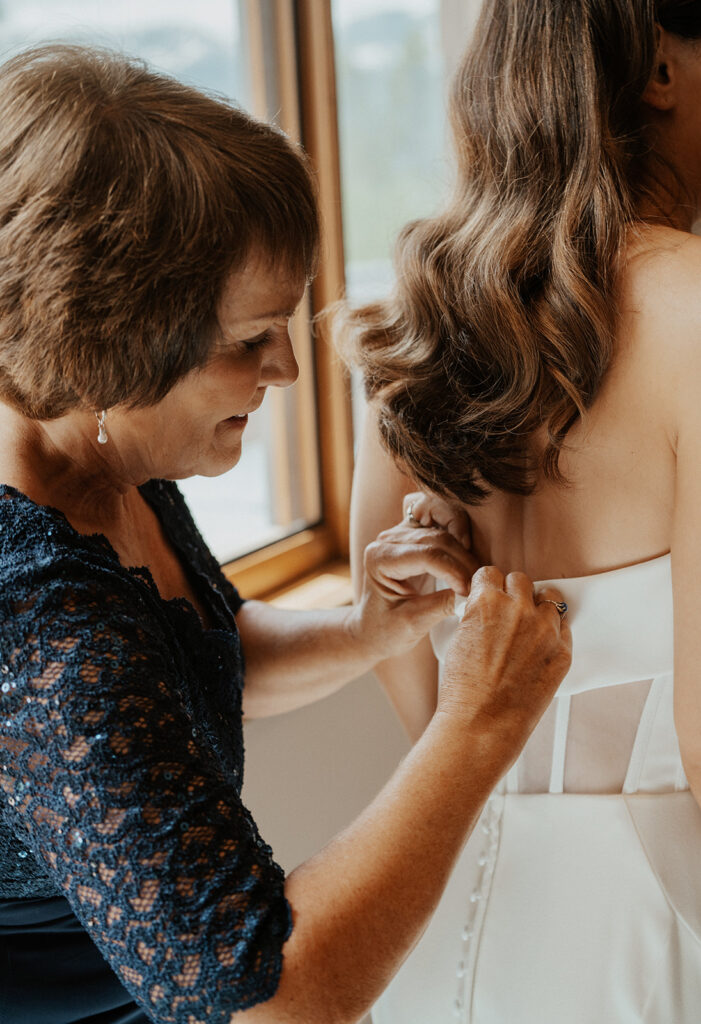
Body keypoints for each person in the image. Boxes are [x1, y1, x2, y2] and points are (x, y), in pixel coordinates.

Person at [0, 44, 572, 1024]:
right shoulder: (40, 618)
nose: (286, 372)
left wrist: (366, 628)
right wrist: (476, 726)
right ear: (110, 339)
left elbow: (179, 669)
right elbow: (276, 1003)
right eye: (246, 342)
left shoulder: (100, 462)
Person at [343, 1, 701, 1021]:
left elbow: (402, 654)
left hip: (437, 889)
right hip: (655, 915)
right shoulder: (686, 311)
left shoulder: (412, 324)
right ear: (660, 72)